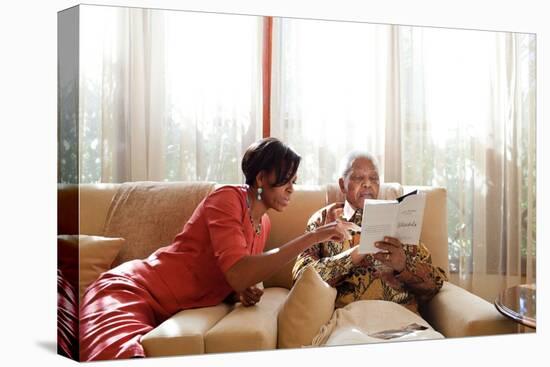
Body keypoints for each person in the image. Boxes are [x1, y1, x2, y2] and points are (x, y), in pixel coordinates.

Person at [79, 137, 357, 361]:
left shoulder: (264, 224)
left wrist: (241, 290)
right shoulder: (227, 199)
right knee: (117, 357)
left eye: (293, 182)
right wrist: (313, 237)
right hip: (131, 290)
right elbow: (237, 272)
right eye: (285, 179)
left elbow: (234, 274)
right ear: (260, 178)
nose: (290, 190)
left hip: (164, 307)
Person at [292, 152, 447, 313]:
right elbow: (301, 277)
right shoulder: (324, 220)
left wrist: (404, 266)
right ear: (342, 184)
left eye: (374, 178)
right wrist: (352, 257)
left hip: (402, 318)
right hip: (349, 319)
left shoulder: (399, 218)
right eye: (358, 178)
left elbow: (436, 284)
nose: (367, 184)